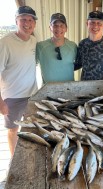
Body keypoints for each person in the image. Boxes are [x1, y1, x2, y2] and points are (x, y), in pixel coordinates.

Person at [0, 6, 38, 157]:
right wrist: (1, 102)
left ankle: (29, 156)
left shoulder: (34, 41)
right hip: (12, 97)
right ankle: (14, 160)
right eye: (23, 19)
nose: (27, 23)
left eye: (30, 20)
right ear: (16, 21)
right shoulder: (5, 43)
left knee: (30, 128)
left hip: (32, 94)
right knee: (13, 130)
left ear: (34, 23)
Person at [36, 13, 77, 83]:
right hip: (48, 91)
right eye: (55, 25)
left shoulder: (73, 46)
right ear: (50, 28)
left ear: (66, 28)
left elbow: (79, 63)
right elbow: (29, 64)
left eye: (62, 25)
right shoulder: (41, 46)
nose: (58, 28)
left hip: (69, 90)